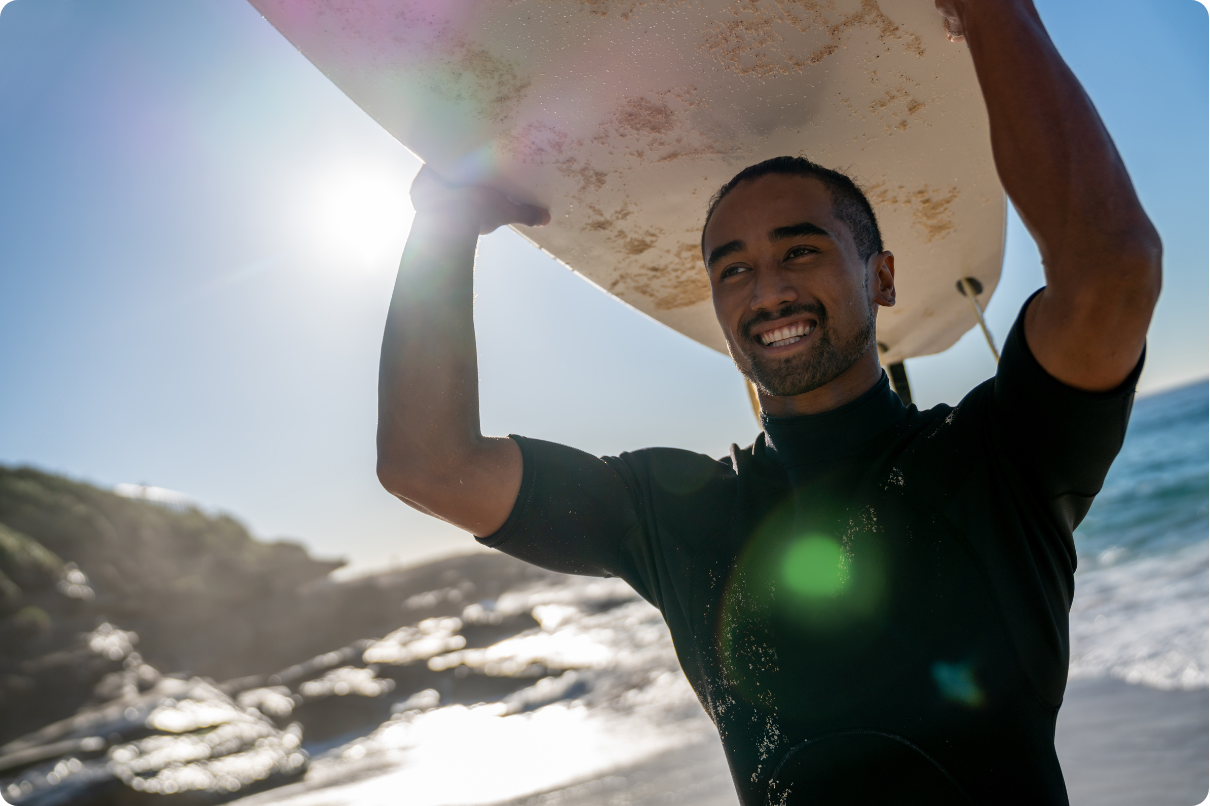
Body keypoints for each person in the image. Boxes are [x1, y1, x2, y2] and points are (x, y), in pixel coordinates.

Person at [375, 0, 1161, 803]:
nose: (771, 289)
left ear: (882, 277)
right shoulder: (672, 515)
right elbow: (428, 465)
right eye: (733, 269)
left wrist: (997, 14)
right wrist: (442, 229)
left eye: (802, 249)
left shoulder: (998, 460)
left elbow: (1112, 271)